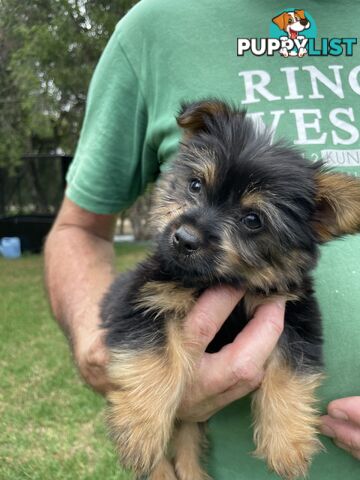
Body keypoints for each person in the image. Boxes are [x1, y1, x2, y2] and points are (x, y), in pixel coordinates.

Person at [44, 0, 360, 478]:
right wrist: (115, 364)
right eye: (195, 186)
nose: (193, 228)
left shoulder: (293, 271)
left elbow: (296, 346)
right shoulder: (156, 24)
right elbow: (78, 231)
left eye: (252, 221)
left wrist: (283, 413)